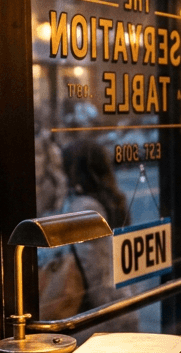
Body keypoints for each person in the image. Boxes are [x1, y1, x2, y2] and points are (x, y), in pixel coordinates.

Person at [41, 139, 140, 335]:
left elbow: (99, 273)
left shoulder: (85, 207)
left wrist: (124, 319)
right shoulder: (105, 201)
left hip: (92, 317)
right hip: (102, 313)